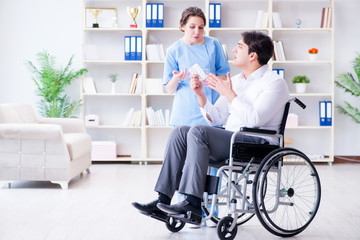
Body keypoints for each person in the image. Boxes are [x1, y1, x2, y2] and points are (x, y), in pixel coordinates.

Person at [132, 31, 289, 221]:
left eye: (239, 46)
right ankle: (162, 200)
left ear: (252, 55)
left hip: (256, 144)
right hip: (233, 140)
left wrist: (229, 94)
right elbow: (216, 119)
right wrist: (201, 95)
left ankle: (192, 203)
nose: (234, 49)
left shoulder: (275, 82)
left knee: (198, 132)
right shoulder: (237, 81)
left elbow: (255, 119)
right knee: (180, 132)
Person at [163, 7, 230, 126]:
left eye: (201, 27)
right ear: (183, 26)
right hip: (184, 112)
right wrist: (176, 78)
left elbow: (224, 75)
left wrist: (211, 80)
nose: (197, 32)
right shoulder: (173, 50)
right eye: (192, 27)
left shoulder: (214, 44)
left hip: (210, 109)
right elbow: (169, 89)